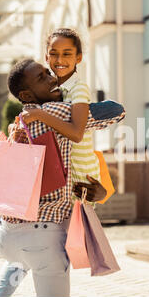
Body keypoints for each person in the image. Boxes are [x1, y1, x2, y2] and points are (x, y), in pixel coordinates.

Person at [0, 59, 125, 297]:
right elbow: (116, 111)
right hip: (42, 238)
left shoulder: (19, 122)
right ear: (26, 94)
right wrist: (76, 92)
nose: (53, 78)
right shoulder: (55, 112)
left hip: (7, 236)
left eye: (48, 72)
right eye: (42, 77)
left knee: (17, 264)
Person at [21, 28, 104, 204]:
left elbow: (76, 133)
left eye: (67, 54)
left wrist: (39, 114)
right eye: (54, 54)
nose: (59, 60)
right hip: (63, 177)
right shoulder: (53, 90)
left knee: (79, 230)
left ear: (78, 58)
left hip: (81, 179)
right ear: (46, 57)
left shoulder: (78, 88)